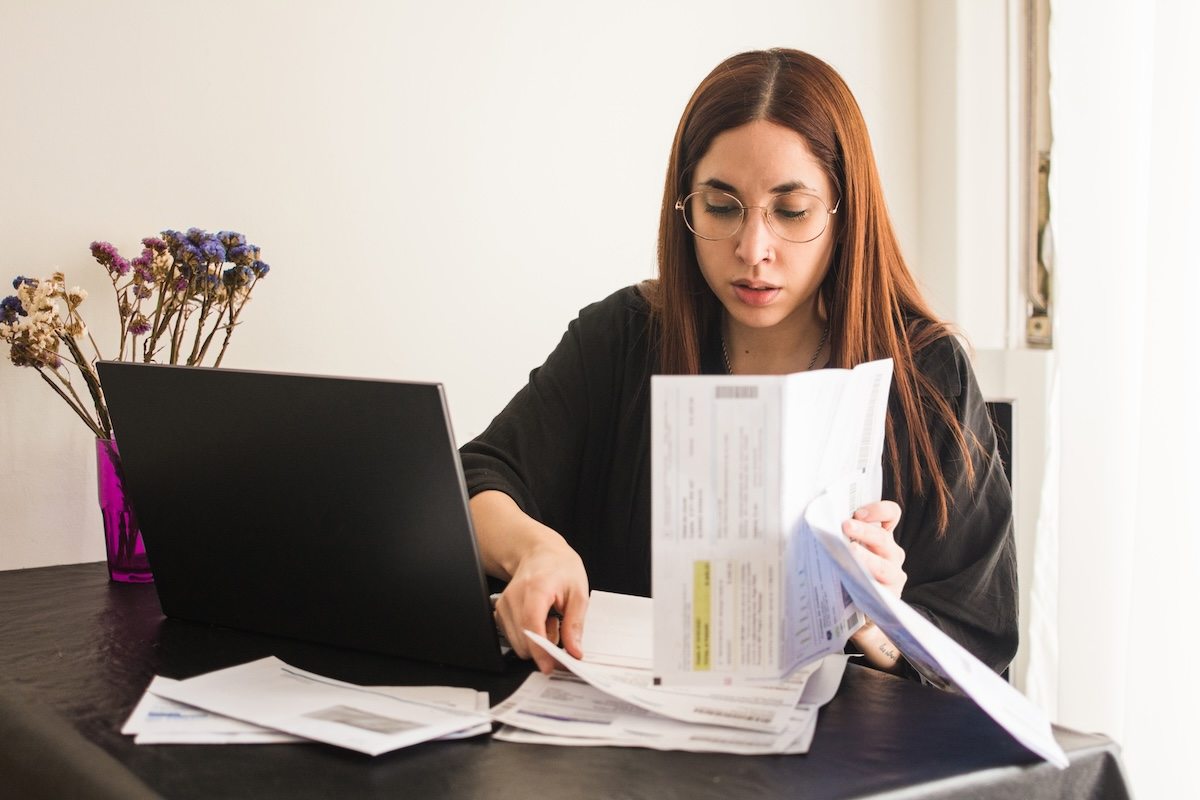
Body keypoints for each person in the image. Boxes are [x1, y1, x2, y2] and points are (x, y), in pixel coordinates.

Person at [461, 48, 1017, 682]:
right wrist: (536, 548)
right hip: (632, 747)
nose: (754, 250)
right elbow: (478, 476)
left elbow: (978, 645)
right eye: (722, 208)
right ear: (686, 207)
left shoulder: (926, 376)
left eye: (792, 211)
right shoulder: (625, 336)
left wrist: (872, 618)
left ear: (844, 213)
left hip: (841, 766)